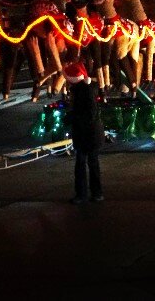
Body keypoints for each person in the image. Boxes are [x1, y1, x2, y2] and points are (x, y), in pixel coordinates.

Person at [63, 60, 104, 204]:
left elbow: (88, 113)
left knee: (84, 164)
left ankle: (84, 194)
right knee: (91, 163)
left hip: (87, 134)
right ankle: (94, 193)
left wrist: (71, 117)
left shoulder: (83, 91)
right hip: (90, 133)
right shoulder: (86, 89)